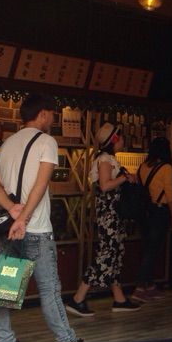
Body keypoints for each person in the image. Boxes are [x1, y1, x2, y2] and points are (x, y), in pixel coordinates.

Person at [0, 93, 103, 342]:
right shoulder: (47, 141)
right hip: (36, 230)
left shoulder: (6, 145)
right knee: (49, 290)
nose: (53, 119)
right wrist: (24, 217)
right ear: (42, 113)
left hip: (10, 232)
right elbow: (40, 185)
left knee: (4, 290)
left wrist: (13, 210)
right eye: (52, 114)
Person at [65, 122, 141, 317]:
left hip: (111, 214)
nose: (123, 141)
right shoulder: (105, 159)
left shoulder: (106, 158)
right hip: (110, 215)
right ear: (114, 139)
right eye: (121, 137)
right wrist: (124, 178)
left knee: (114, 253)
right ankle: (78, 298)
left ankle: (119, 299)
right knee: (107, 255)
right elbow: (105, 185)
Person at [130, 136, 172, 302]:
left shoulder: (143, 167)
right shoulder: (166, 168)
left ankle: (149, 285)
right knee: (153, 250)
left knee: (147, 248)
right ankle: (140, 287)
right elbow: (170, 194)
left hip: (145, 213)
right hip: (159, 212)